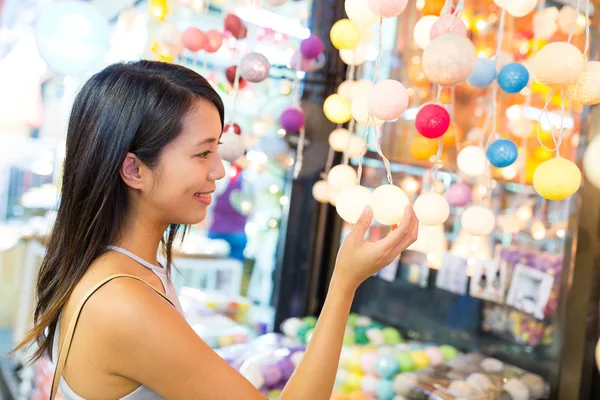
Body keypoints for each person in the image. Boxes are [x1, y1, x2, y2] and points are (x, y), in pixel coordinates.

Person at [14, 60, 418, 399]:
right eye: (203, 153)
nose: (219, 170)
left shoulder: (130, 268)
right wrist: (344, 282)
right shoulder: (123, 301)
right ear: (134, 169)